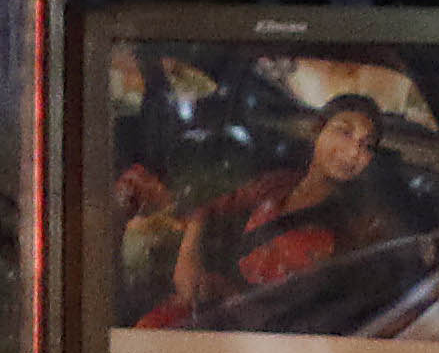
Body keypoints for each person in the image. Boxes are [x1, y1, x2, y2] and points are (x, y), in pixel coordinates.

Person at [146, 92, 398, 327]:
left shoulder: (360, 224)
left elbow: (318, 317)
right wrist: (190, 253)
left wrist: (229, 294)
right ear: (316, 130)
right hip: (207, 307)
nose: (354, 152)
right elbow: (208, 207)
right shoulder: (279, 183)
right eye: (344, 132)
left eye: (367, 146)